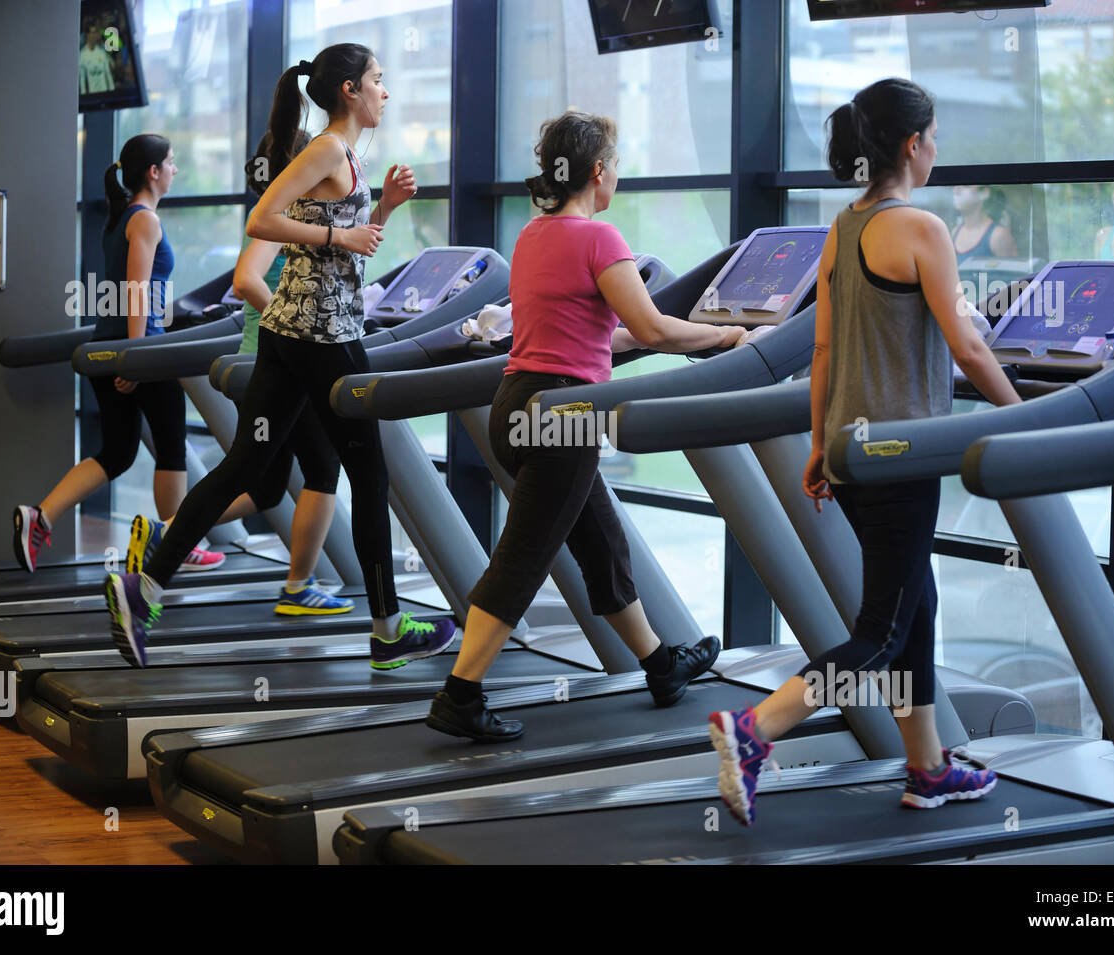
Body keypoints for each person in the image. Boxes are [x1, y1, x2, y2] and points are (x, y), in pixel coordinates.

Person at [708, 78, 1022, 825]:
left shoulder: (843, 228)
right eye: (934, 137)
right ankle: (757, 728)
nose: (937, 150)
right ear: (912, 145)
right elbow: (968, 346)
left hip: (852, 451)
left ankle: (929, 767)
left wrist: (821, 445)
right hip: (903, 455)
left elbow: (822, 349)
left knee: (914, 609)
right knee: (880, 632)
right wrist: (1027, 419)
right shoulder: (921, 229)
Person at [105, 44, 455, 669]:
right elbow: (263, 221)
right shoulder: (326, 149)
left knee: (247, 466)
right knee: (368, 477)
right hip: (323, 338)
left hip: (291, 334)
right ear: (349, 89)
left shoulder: (346, 155)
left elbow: (346, 250)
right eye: (378, 80)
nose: (385, 91)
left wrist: (384, 209)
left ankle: (145, 587)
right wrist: (340, 232)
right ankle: (387, 629)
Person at [423, 110, 747, 743]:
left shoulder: (533, 236)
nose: (617, 174)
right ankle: (460, 695)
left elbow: (613, 334)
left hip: (517, 406)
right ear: (598, 171)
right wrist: (728, 335)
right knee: (522, 559)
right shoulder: (600, 240)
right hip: (563, 419)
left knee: (602, 546)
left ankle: (662, 667)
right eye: (616, 164)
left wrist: (689, 337)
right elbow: (653, 328)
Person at [123, 129, 354, 616]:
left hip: (266, 361)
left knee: (265, 483)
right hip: (274, 363)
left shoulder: (297, 215)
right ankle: (297, 587)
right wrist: (293, 324)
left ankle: (167, 536)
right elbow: (246, 280)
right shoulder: (285, 216)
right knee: (317, 469)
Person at [14, 134, 224, 574]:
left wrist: (126, 352)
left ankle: (41, 516)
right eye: (171, 162)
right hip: (139, 349)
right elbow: (136, 291)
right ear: (153, 172)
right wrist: (136, 357)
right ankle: (175, 544)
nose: (175, 170)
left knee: (117, 452)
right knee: (172, 445)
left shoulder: (120, 218)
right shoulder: (145, 220)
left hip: (108, 347)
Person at [950, 184, 1017, 263]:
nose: (956, 190)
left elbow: (1011, 269)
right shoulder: (955, 232)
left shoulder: (998, 235)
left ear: (984, 193)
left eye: (966, 185)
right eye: (954, 185)